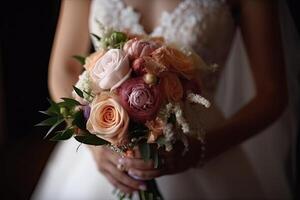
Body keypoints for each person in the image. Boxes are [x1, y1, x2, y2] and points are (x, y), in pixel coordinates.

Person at [33, 0, 295, 199]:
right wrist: (93, 145)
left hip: (201, 147)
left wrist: (198, 151)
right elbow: (64, 69)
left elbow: (272, 94)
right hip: (105, 148)